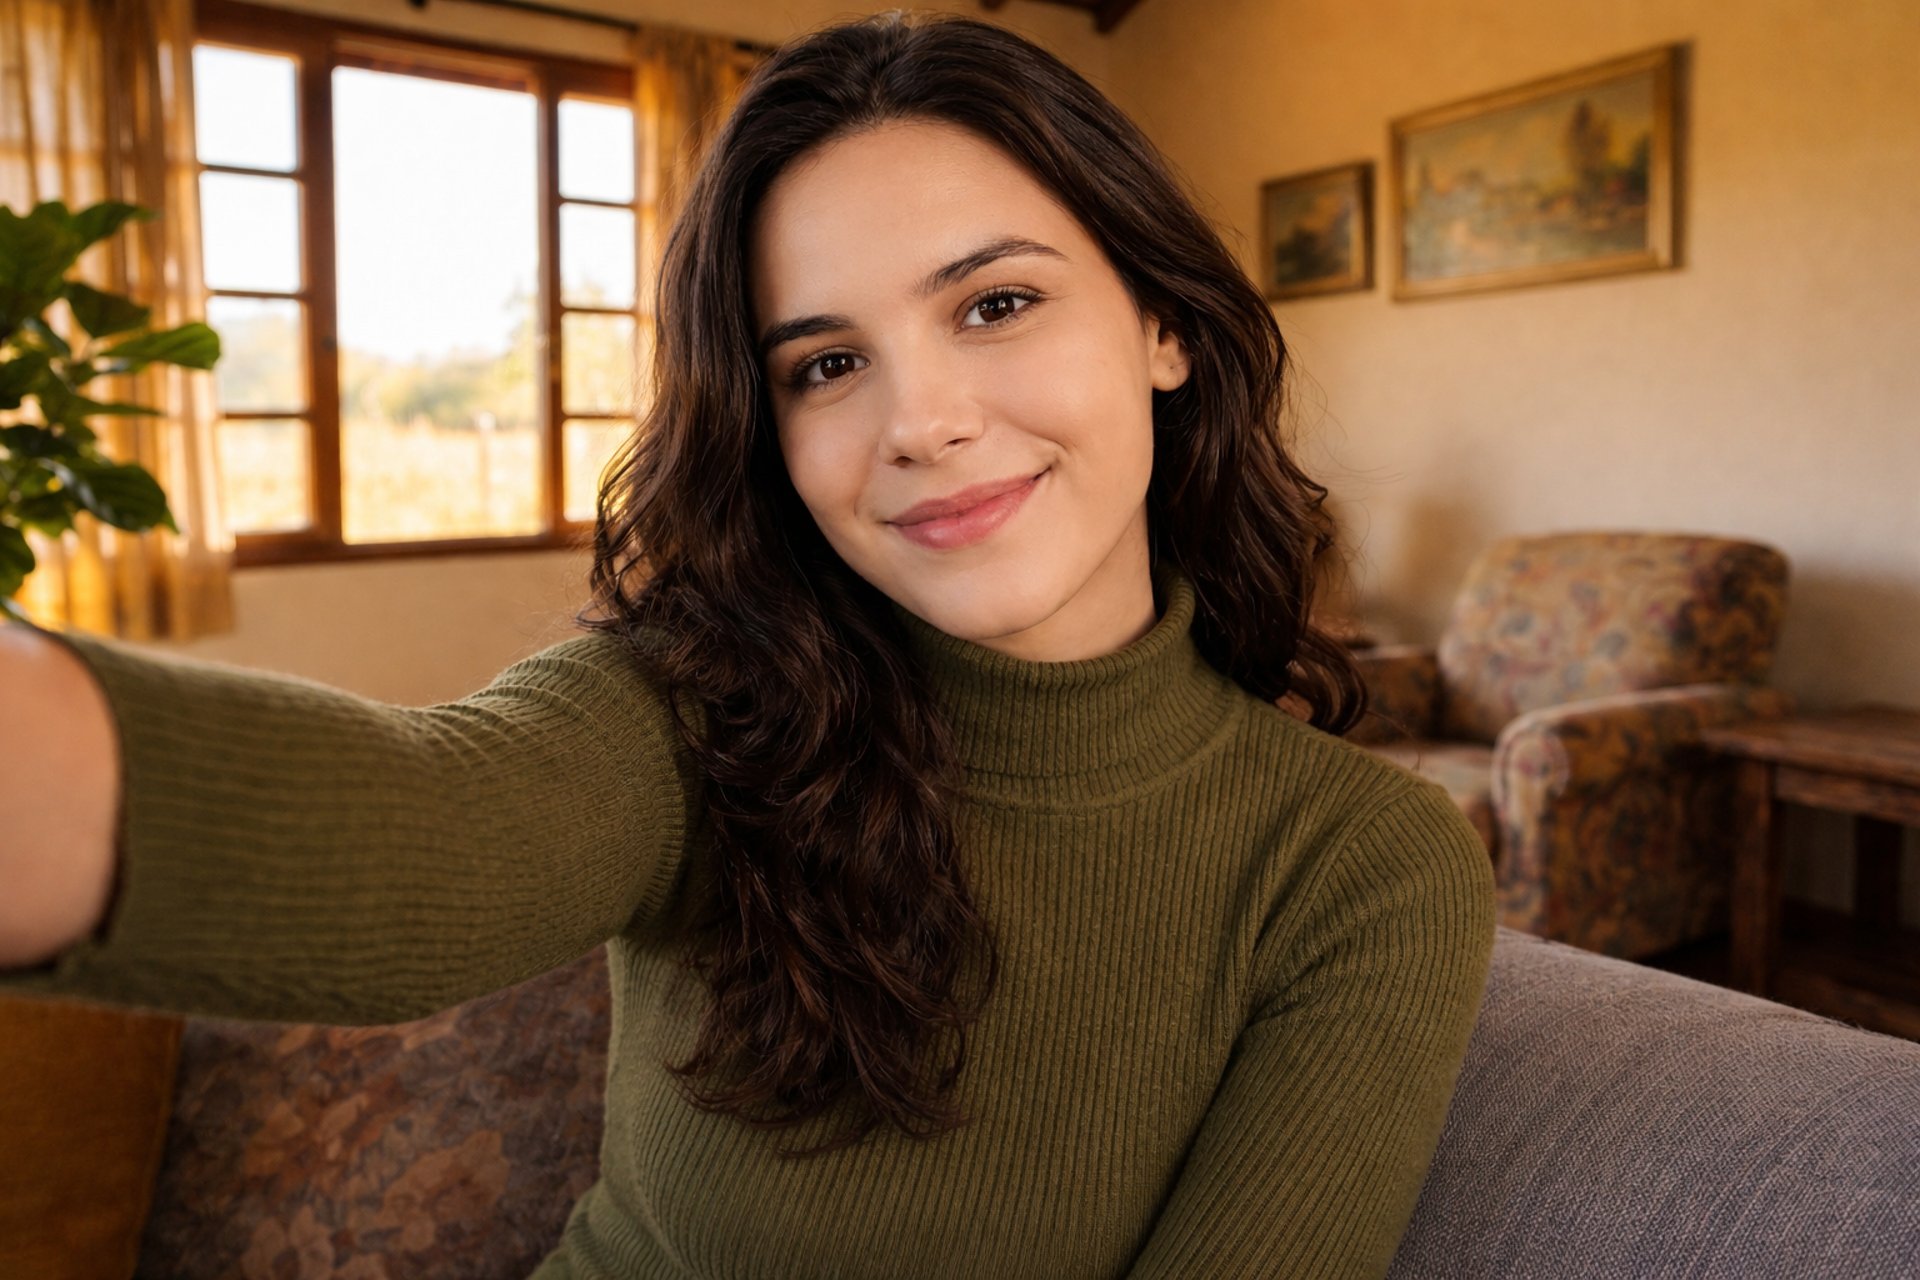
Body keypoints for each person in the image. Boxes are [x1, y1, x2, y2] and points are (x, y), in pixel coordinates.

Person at [0, 10, 1495, 1278]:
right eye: (828, 363)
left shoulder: (1361, 870)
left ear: (1163, 324)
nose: (921, 422)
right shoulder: (692, 710)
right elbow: (418, 828)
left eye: (996, 302)